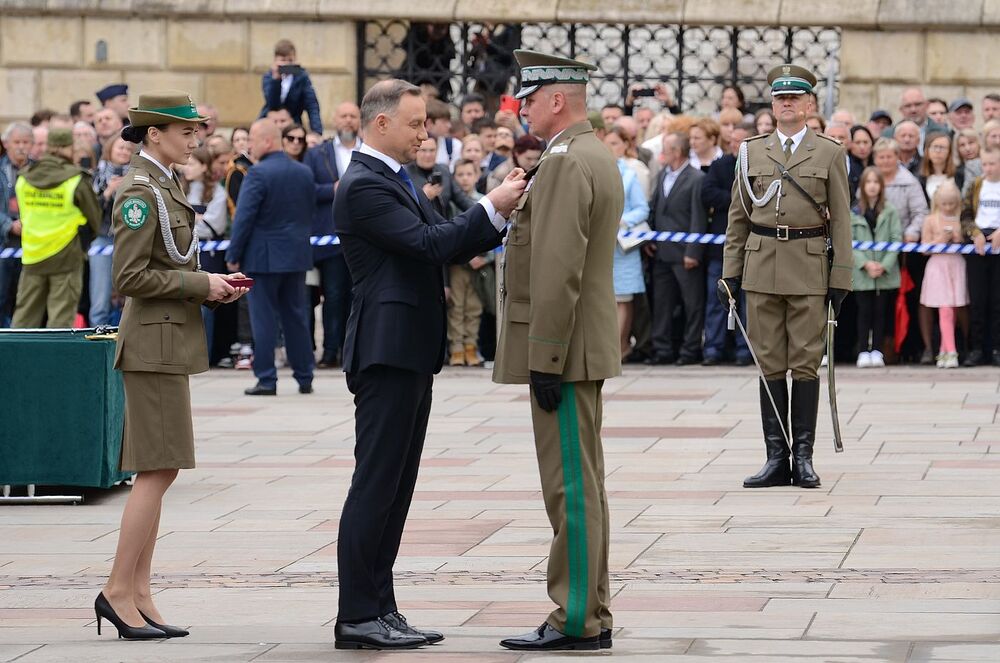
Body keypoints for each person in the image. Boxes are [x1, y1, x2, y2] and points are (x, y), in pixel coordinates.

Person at [332, 79, 525, 650]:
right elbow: (427, 244)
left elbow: (442, 240)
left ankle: (381, 607)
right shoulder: (364, 184)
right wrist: (492, 205)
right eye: (415, 123)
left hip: (408, 348)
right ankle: (356, 614)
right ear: (381, 122)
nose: (424, 133)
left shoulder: (394, 177)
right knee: (376, 485)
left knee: (396, 487)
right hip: (385, 349)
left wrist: (492, 216)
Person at [97, 91, 248, 640]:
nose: (194, 139)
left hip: (164, 341)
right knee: (158, 469)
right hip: (152, 344)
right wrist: (199, 284)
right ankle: (118, 590)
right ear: (154, 134)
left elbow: (170, 263)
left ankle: (138, 593)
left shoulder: (162, 183)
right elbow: (129, 278)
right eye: (185, 131)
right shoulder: (141, 191)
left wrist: (210, 287)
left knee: (159, 468)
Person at [493, 49, 623, 652]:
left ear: (556, 99)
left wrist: (544, 357)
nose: (521, 108)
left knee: (569, 488)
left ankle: (575, 618)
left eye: (528, 98)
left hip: (564, 352)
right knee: (583, 484)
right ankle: (590, 608)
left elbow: (557, 269)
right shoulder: (583, 153)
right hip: (576, 346)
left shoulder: (568, 161)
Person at [720, 64, 852, 490]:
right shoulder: (751, 151)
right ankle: (776, 457)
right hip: (761, 266)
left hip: (809, 267)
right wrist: (730, 273)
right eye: (780, 98)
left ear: (810, 104)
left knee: (806, 363)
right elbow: (738, 219)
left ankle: (804, 458)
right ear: (773, 104)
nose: (787, 104)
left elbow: (842, 221)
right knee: (768, 362)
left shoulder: (829, 152)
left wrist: (841, 276)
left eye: (795, 97)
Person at [225, 119, 316, 396]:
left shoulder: (257, 173)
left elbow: (244, 217)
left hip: (263, 257)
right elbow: (307, 212)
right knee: (296, 317)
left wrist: (233, 254)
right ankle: (305, 376)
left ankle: (266, 378)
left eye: (252, 140)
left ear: (267, 141)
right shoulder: (303, 172)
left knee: (263, 318)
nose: (249, 146)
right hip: (296, 255)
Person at [10, 128, 102, 328]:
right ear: (70, 147)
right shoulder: (76, 178)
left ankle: (17, 350)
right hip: (67, 256)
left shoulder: (24, 177)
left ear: (48, 146)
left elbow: (24, 214)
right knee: (60, 319)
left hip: (33, 254)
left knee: (24, 318)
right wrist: (83, 243)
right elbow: (95, 219)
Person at [302, 102, 361, 368]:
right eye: (343, 115)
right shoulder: (318, 154)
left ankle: (355, 351)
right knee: (334, 296)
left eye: (353, 116)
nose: (348, 120)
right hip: (331, 237)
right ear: (335, 120)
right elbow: (307, 189)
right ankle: (330, 351)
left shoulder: (368, 150)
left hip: (364, 238)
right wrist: (333, 189)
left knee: (358, 297)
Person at [645, 131, 708, 365]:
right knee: (662, 303)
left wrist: (693, 252)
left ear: (677, 152)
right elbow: (655, 207)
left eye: (665, 149)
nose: (662, 153)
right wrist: (650, 239)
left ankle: (690, 350)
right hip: (662, 252)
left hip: (684, 254)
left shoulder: (696, 178)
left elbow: (698, 218)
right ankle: (662, 349)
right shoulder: (663, 174)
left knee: (692, 304)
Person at [702, 121, 754, 366]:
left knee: (747, 302)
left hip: (751, 246)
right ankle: (713, 348)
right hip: (720, 247)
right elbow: (707, 194)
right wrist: (738, 198)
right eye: (732, 141)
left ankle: (745, 349)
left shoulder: (758, 166)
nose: (734, 145)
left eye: (739, 141)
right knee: (717, 300)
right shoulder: (720, 165)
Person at [604, 126, 650, 359]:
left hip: (623, 244)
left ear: (624, 146)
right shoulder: (599, 170)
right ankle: (615, 345)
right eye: (606, 143)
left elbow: (642, 209)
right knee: (608, 297)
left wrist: (623, 220)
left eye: (614, 143)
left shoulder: (631, 173)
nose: (609, 148)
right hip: (603, 244)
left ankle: (619, 346)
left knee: (624, 297)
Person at [851, 167, 901, 367]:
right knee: (863, 312)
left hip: (884, 273)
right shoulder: (854, 211)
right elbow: (849, 242)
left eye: (876, 182)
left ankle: (878, 351)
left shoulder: (890, 210)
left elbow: (896, 239)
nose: (872, 186)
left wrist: (884, 265)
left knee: (881, 312)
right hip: (862, 273)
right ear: (863, 186)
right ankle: (863, 350)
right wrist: (865, 264)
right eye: (868, 182)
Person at [447, 158, 491, 366]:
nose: (465, 179)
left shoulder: (484, 201)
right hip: (458, 264)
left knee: (474, 308)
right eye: (460, 175)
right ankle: (456, 348)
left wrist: (485, 258)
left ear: (477, 176)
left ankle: (471, 347)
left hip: (479, 266)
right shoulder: (451, 203)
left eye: (469, 174)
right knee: (456, 307)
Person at [920, 181, 968, 368]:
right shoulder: (930, 220)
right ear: (937, 202)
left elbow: (966, 243)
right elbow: (924, 248)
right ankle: (951, 351)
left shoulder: (961, 219)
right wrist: (941, 239)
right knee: (944, 308)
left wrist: (957, 237)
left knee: (952, 309)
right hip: (938, 267)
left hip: (956, 265)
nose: (948, 207)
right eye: (944, 204)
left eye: (951, 204)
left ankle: (943, 351)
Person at [90, 135, 135, 326]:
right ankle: (97, 332)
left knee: (131, 293)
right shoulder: (97, 175)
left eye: (128, 149)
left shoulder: (137, 176)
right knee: (100, 295)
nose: (124, 151)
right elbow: (90, 211)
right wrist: (108, 191)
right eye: (120, 148)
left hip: (131, 238)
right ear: (110, 149)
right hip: (103, 237)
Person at [961, 144, 1000, 366]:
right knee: (977, 300)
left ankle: (996, 348)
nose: (988, 168)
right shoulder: (976, 185)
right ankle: (976, 348)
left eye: (992, 164)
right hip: (978, 245)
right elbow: (965, 214)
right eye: (985, 164)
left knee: (997, 301)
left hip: (997, 242)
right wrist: (974, 233)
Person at [0, 122, 33, 324]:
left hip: (31, 243)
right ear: (6, 144)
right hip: (3, 242)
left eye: (26, 142)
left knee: (25, 299)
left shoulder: (39, 171)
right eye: (17, 142)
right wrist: (8, 225)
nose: (21, 146)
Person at [259, 39, 322, 133]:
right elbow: (272, 103)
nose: (287, 64)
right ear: (275, 60)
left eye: (290, 61)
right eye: (283, 60)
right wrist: (276, 79)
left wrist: (316, 131)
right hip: (271, 120)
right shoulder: (269, 76)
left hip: (293, 122)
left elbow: (311, 104)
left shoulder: (301, 77)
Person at [919, 131, 956, 202]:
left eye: (942, 147)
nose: (938, 151)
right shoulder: (920, 178)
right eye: (934, 147)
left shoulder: (958, 175)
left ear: (949, 152)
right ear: (927, 150)